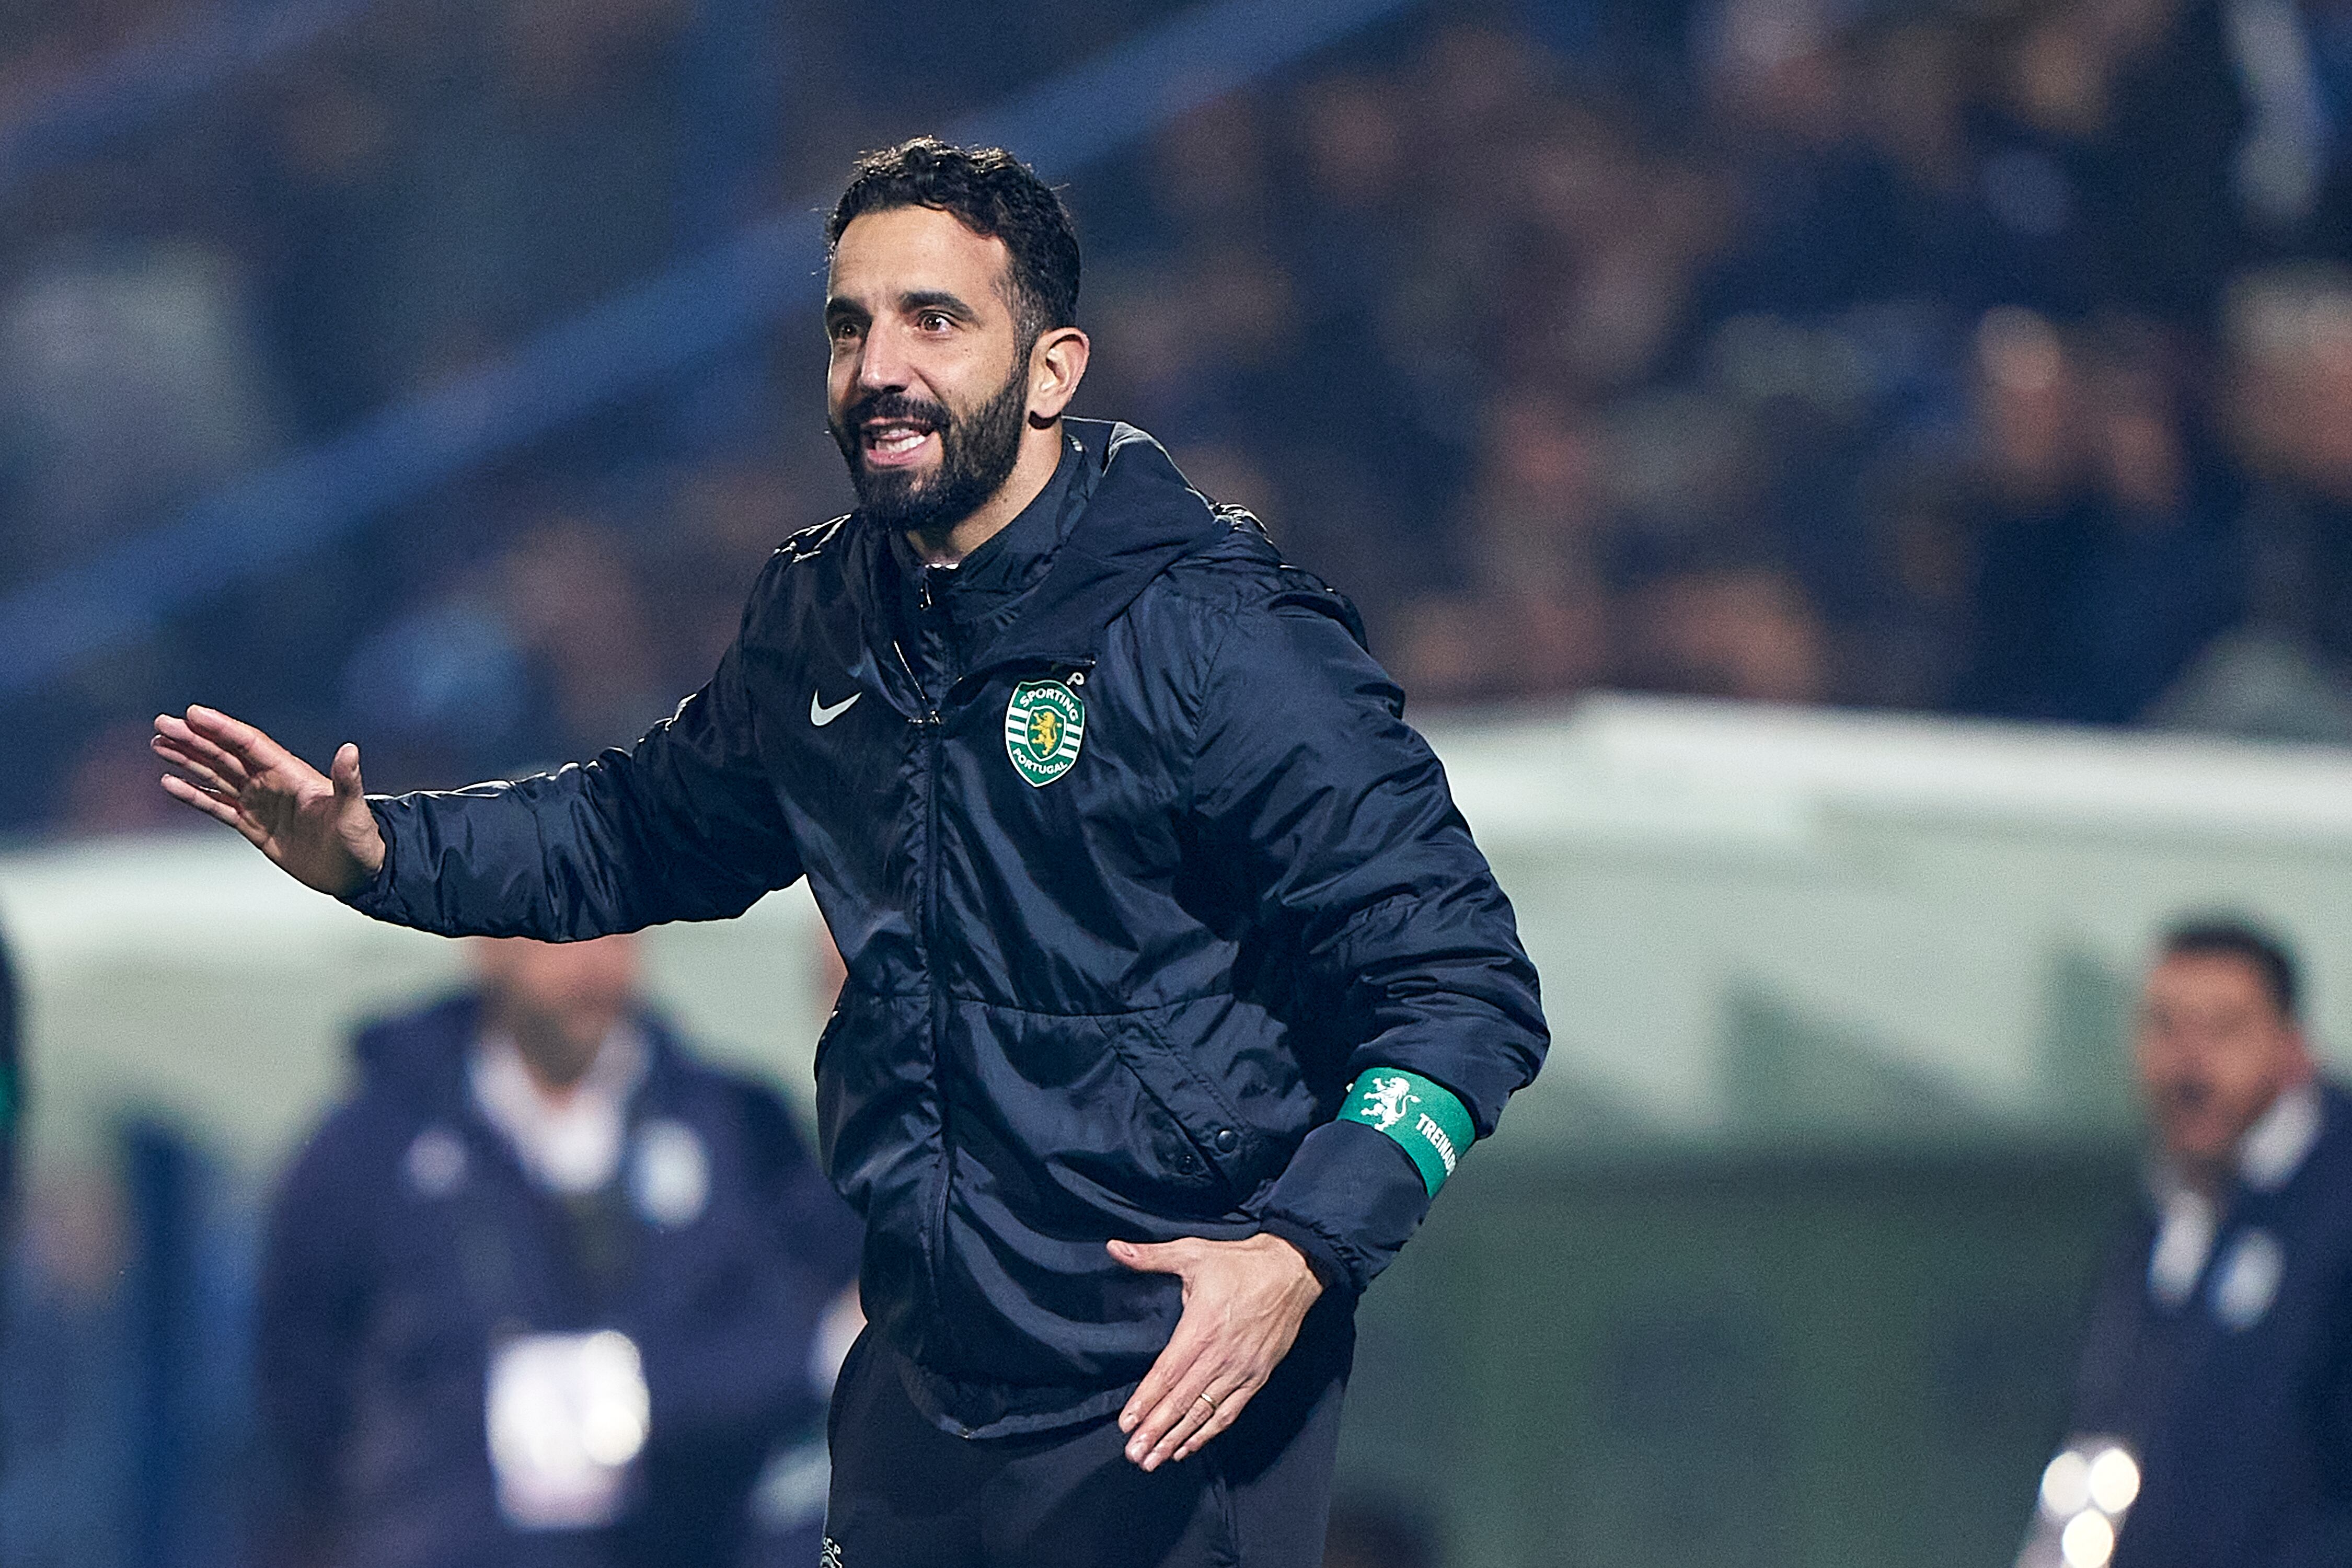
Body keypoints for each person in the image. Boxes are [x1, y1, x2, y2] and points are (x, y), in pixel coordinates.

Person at [155, 137, 1549, 1568]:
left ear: (1052, 370)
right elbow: (633, 831)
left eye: (933, 320)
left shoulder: (1218, 634)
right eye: (848, 326)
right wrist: (379, 851)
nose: (878, 366)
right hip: (917, 1398)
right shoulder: (820, 618)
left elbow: (1464, 987)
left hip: (1162, 1397)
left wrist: (1300, 1249)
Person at [255, 933, 860, 1568]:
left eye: (619, 923)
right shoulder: (369, 1148)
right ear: (484, 940)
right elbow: (302, 1393)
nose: (591, 957)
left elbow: (830, 1323)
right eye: (557, 927)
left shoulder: (742, 1131)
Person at [2020, 918, 2352, 1568]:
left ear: (2292, 1048)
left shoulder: (2334, 1212)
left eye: (2224, 1029)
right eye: (2166, 1027)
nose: (2189, 1062)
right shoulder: (2161, 1218)